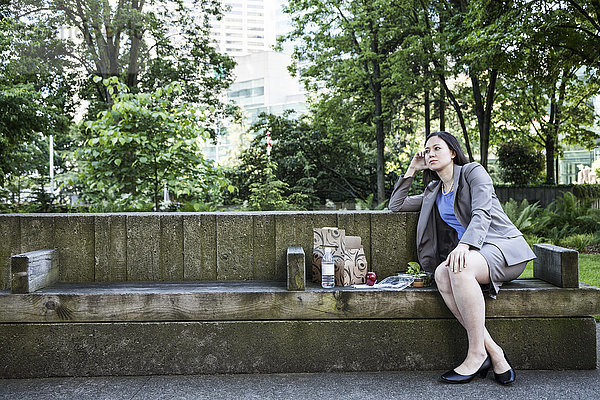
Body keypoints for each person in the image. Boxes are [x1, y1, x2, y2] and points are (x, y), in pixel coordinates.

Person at [389, 131, 536, 385]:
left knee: (458, 266)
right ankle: (494, 353)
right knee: (441, 273)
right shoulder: (433, 191)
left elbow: (482, 213)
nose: (430, 154)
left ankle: (476, 354)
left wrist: (464, 245)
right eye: (427, 150)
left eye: (437, 148)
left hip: (503, 249)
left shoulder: (472, 173)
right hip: (475, 255)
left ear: (453, 153)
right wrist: (413, 167)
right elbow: (395, 205)